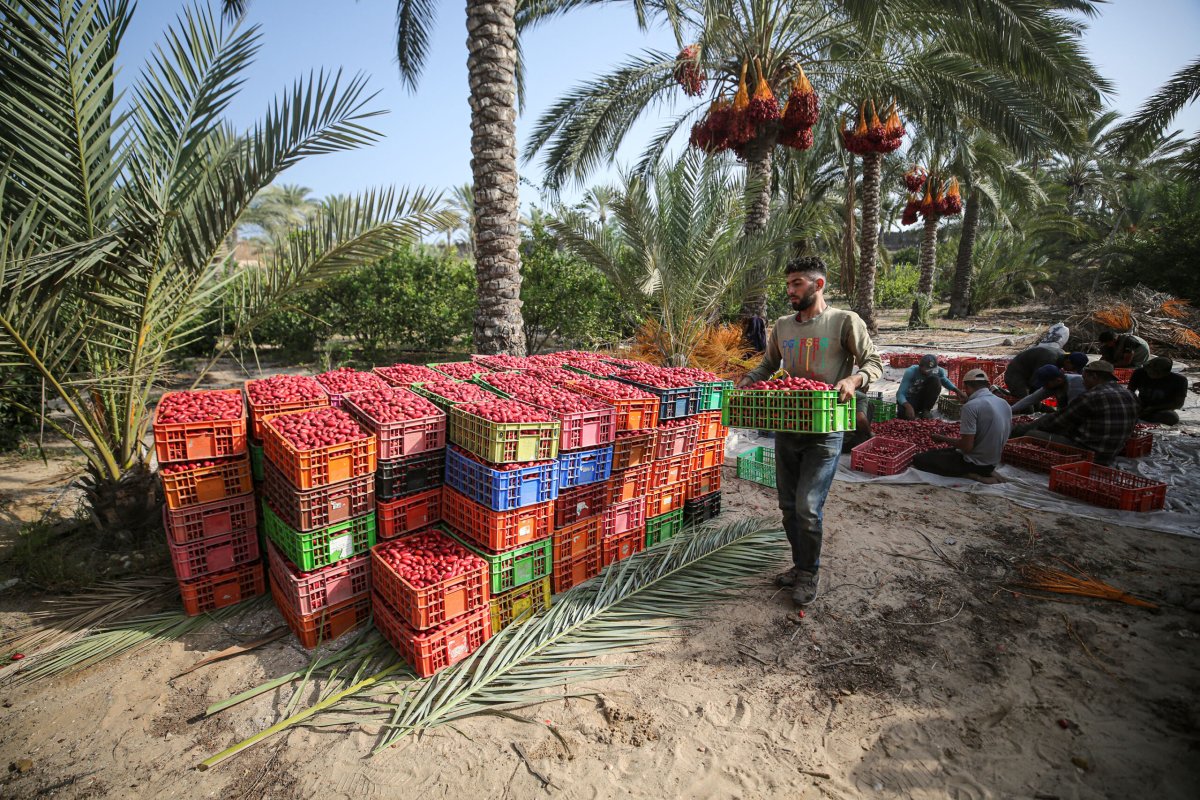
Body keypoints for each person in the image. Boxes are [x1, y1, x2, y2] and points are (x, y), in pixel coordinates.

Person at [738, 256, 883, 606]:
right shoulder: (784, 326)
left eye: (797, 283)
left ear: (818, 285)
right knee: (788, 505)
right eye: (788, 284)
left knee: (807, 507)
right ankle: (800, 564)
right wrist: (747, 381)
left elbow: (874, 363)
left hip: (825, 430)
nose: (790, 290)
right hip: (788, 425)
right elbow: (768, 365)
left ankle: (809, 573)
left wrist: (852, 379)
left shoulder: (844, 321)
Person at [1028, 360, 1138, 465]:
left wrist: (1038, 425)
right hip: (1113, 452)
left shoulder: (1092, 396)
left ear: (1094, 376)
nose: (1083, 383)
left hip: (1089, 453)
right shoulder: (1130, 395)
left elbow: (1056, 424)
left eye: (1084, 379)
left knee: (1031, 434)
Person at [912, 369, 1012, 481]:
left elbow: (967, 447)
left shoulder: (971, 407)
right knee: (942, 452)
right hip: (992, 462)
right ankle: (987, 471)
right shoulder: (1004, 404)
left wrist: (941, 438)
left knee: (919, 460)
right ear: (988, 385)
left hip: (974, 463)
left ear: (967, 387)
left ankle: (972, 475)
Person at [896, 354, 964, 419]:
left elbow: (945, 381)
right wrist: (908, 406)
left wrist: (957, 391)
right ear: (920, 366)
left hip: (922, 399)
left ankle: (926, 410)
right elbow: (900, 394)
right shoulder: (911, 371)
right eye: (927, 370)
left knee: (936, 380)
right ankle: (914, 412)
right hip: (909, 399)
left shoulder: (938, 371)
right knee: (903, 414)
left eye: (932, 370)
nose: (930, 372)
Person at [1128, 357, 1187, 425]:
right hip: (1140, 406)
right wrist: (1136, 405)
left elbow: (1178, 404)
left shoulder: (1179, 380)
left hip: (1160, 409)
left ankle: (1139, 418)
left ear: (1165, 373)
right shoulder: (1139, 372)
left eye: (1155, 372)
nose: (1149, 373)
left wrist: (1153, 409)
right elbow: (1130, 392)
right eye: (1149, 370)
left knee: (1171, 417)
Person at [1011, 364, 1085, 415]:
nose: (1044, 386)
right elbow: (1031, 399)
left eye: (1045, 384)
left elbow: (1073, 412)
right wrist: (1010, 410)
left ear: (1058, 380)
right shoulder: (1054, 384)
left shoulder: (1076, 385)